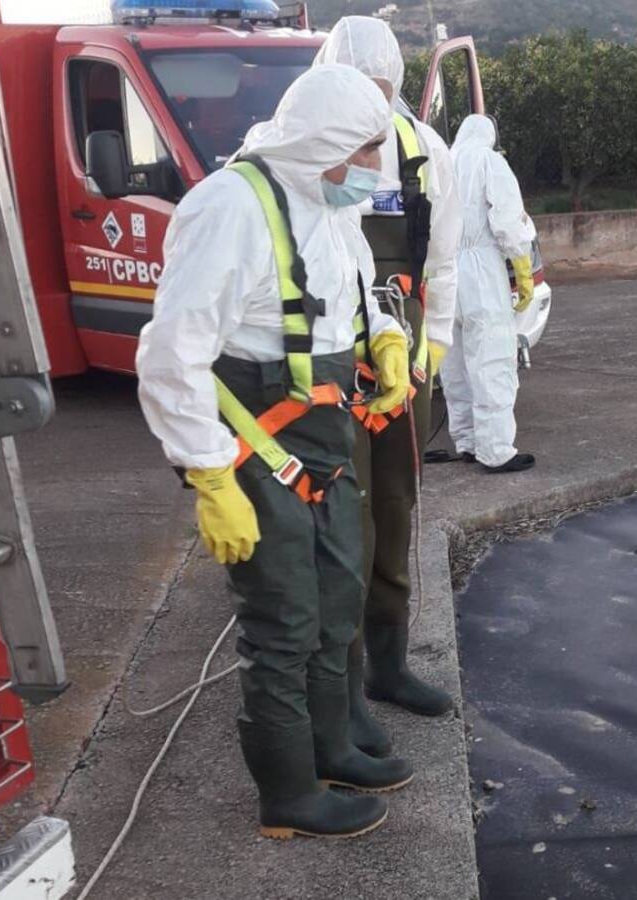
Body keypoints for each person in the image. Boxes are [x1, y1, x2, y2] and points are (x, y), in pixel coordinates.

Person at [135, 65, 415, 840]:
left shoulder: (328, 208)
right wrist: (207, 472)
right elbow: (171, 355)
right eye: (359, 155)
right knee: (283, 623)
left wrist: (387, 343)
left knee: (334, 606)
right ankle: (287, 792)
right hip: (258, 448)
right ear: (320, 145)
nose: (370, 173)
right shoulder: (232, 209)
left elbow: (359, 299)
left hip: (325, 440)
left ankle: (331, 747)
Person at [312, 17, 462, 757]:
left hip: (405, 363)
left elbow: (448, 264)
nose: (365, 111)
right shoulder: (305, 150)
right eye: (352, 91)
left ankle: (390, 666)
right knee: (345, 526)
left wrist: (430, 352)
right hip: (331, 362)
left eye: (377, 94)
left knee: (397, 510)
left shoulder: (424, 153)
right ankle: (341, 688)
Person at [439, 113, 537, 474]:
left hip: (445, 274)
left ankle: (466, 441)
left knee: (455, 363)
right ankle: (495, 450)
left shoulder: (441, 160)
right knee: (491, 360)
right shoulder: (490, 162)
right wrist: (521, 266)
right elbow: (507, 221)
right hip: (481, 271)